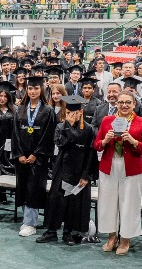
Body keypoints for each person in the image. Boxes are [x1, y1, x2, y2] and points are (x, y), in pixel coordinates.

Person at [93, 90, 142, 255]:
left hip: (132, 169)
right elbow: (97, 144)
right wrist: (105, 141)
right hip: (108, 166)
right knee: (108, 203)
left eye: (128, 102)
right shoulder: (107, 121)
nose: (124, 105)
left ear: (134, 104)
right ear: (116, 104)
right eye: (121, 102)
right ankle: (112, 236)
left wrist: (133, 142)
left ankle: (126, 238)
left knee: (129, 204)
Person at [36, 95, 95, 246]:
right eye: (68, 112)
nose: (71, 115)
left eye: (74, 113)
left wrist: (86, 175)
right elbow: (60, 144)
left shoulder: (88, 129)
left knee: (73, 203)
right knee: (56, 200)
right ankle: (51, 231)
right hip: (61, 170)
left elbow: (91, 154)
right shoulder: (60, 127)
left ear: (81, 112)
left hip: (79, 172)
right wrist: (68, 125)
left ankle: (68, 232)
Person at [11, 76, 57, 237]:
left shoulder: (48, 110)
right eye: (30, 88)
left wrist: (36, 154)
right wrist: (19, 154)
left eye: (36, 88)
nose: (32, 91)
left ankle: (30, 223)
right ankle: (27, 219)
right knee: (23, 187)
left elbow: (49, 135)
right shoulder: (21, 108)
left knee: (34, 188)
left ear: (41, 90)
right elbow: (15, 133)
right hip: (22, 158)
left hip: (38, 158)